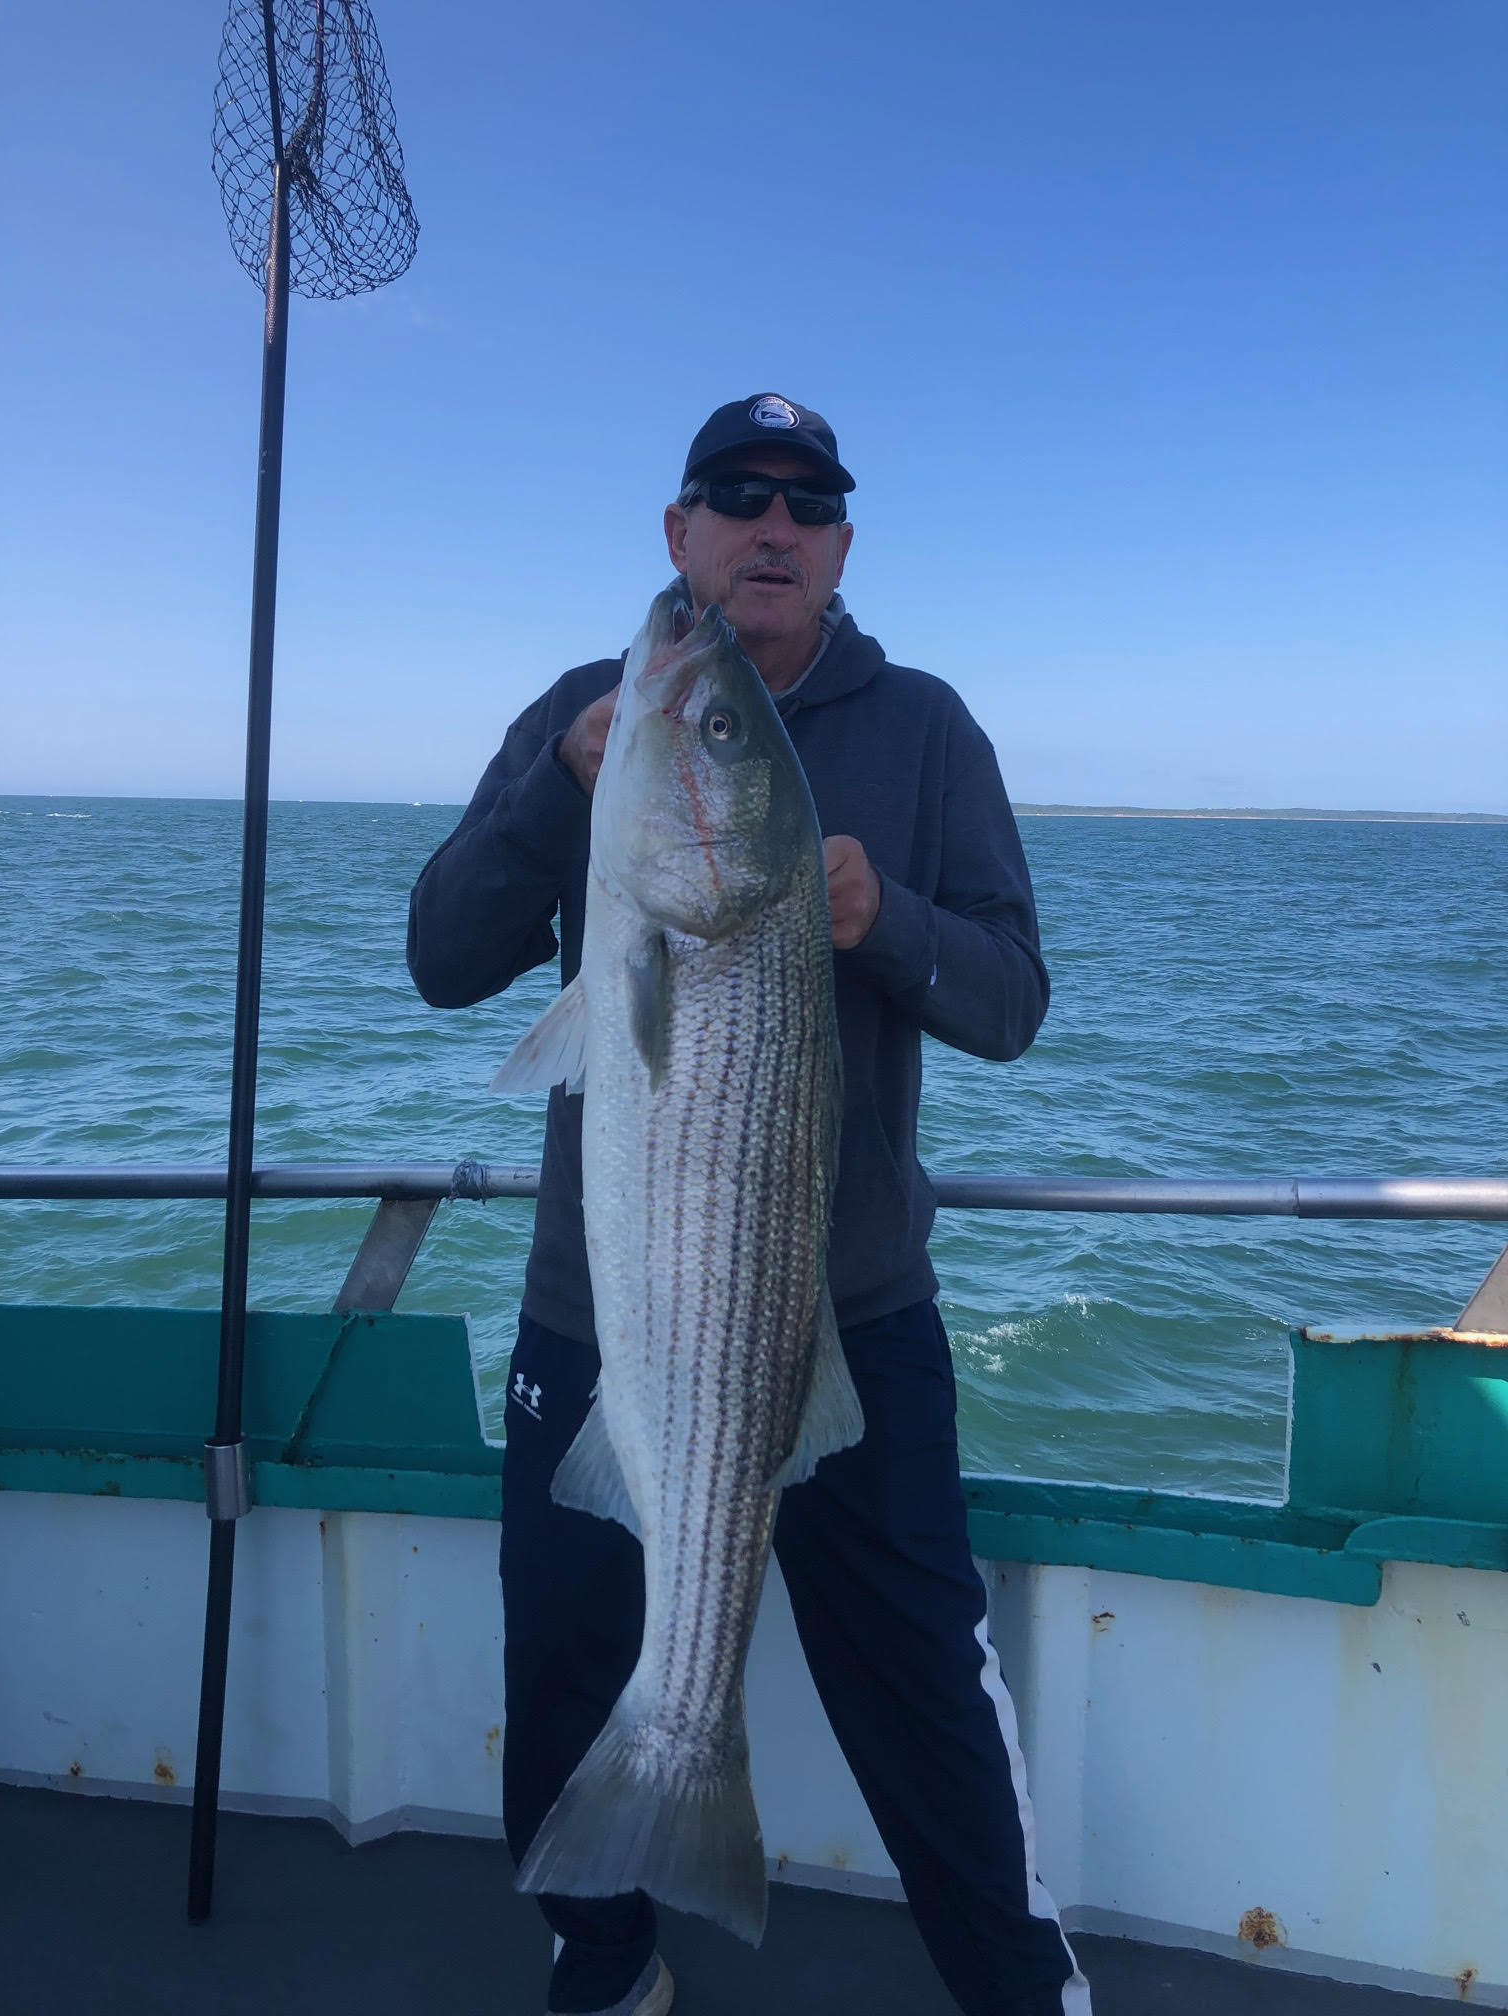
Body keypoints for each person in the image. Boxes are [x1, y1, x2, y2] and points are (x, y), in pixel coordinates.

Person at [407, 394, 1091, 2016]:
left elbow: (1013, 1001)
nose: (773, 526)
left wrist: (886, 917)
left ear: (844, 546)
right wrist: (559, 790)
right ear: (680, 532)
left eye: (809, 503)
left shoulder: (926, 729)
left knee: (924, 1686)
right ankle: (606, 1968)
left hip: (855, 1314)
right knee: (564, 1661)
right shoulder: (593, 715)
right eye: (738, 494)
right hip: (599, 1308)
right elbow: (443, 959)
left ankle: (1024, 1993)